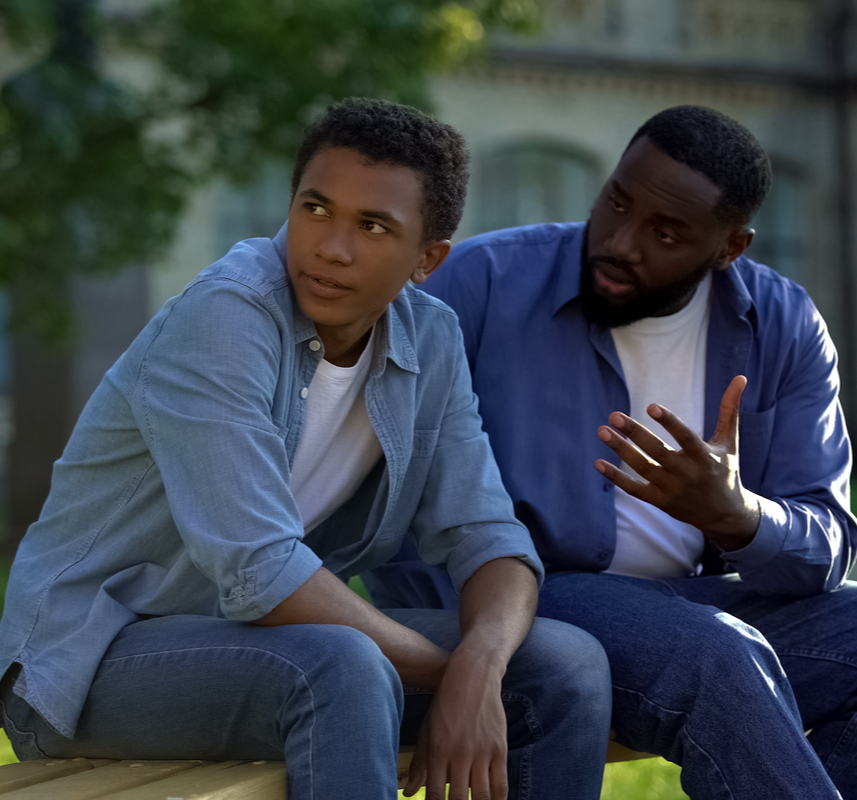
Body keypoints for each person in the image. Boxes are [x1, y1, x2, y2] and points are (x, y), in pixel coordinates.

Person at [0, 98, 611, 800]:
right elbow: (261, 571)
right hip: (86, 666)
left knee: (563, 665)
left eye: (373, 226)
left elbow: (486, 533)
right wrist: (459, 674)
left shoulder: (430, 338)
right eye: (315, 209)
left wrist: (487, 655)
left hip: (258, 649)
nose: (330, 247)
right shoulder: (225, 318)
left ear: (428, 258)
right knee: (342, 667)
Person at [387, 105, 857, 800]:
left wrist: (739, 517)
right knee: (716, 653)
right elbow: (395, 480)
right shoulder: (480, 285)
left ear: (730, 247)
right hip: (529, 601)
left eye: (666, 233)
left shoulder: (782, 324)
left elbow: (825, 543)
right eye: (617, 201)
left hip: (700, 604)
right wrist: (464, 638)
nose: (619, 241)